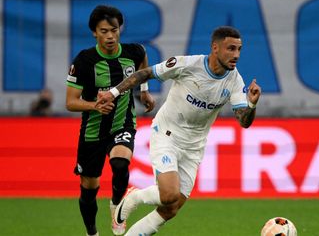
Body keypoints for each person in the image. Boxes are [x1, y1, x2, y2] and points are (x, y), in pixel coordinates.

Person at [96, 26, 261, 235]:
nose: (236, 55)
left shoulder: (235, 80)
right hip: (167, 134)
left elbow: (243, 121)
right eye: (231, 49)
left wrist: (252, 104)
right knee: (168, 195)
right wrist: (113, 92)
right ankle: (134, 197)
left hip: (194, 146)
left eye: (239, 49)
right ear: (215, 48)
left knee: (171, 208)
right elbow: (145, 73)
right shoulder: (187, 65)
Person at [65, 5, 155, 236]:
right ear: (94, 32)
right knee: (88, 189)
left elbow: (143, 59)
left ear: (119, 29)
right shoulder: (84, 61)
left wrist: (144, 90)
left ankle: (117, 206)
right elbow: (71, 102)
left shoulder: (132, 53)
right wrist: (93, 105)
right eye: (104, 31)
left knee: (120, 163)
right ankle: (92, 232)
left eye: (114, 30)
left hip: (122, 123)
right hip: (92, 131)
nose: (110, 36)